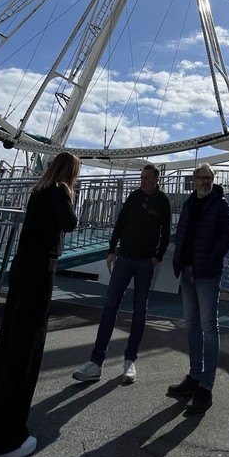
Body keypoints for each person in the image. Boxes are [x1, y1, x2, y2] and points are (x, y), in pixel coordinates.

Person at [0, 151, 79, 457]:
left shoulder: (37, 191)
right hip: (39, 269)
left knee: (8, 343)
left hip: (21, 266)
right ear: (70, 172)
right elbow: (69, 223)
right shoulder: (60, 191)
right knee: (26, 346)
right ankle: (5, 440)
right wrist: (71, 197)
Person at [72, 163, 171, 385]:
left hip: (145, 261)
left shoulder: (163, 201)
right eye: (142, 177)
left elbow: (165, 231)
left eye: (147, 178)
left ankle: (130, 360)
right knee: (110, 307)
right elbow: (121, 222)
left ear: (156, 179)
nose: (143, 181)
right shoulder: (134, 196)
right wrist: (111, 249)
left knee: (139, 310)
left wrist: (158, 256)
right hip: (124, 257)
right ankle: (96, 362)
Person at [167, 163, 229, 415]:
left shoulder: (219, 204)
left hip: (206, 274)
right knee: (192, 324)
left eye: (209, 178)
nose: (205, 182)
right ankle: (194, 376)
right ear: (194, 180)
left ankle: (206, 387)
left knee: (208, 327)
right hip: (186, 271)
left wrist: (209, 260)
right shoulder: (188, 204)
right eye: (201, 178)